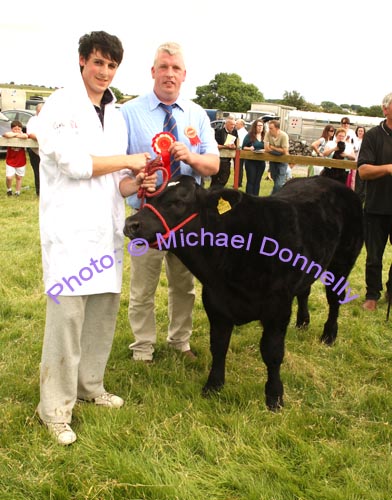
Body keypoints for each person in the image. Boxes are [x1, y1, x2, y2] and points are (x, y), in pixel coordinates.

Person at [36, 31, 153, 446]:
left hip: (106, 232)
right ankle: (54, 408)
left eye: (112, 65)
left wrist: (135, 180)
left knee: (102, 314)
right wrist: (127, 161)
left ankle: (90, 385)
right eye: (98, 62)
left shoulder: (116, 114)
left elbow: (116, 183)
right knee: (67, 320)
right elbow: (74, 164)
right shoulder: (60, 105)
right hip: (69, 233)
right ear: (82, 61)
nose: (104, 71)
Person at [120, 41, 219, 363]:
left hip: (186, 223)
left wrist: (190, 155)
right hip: (145, 218)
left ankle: (180, 341)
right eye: (163, 67)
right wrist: (137, 178)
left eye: (175, 68)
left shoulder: (197, 114)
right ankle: (143, 348)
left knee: (184, 286)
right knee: (142, 289)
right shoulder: (129, 113)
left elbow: (214, 166)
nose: (169, 74)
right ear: (153, 71)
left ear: (184, 75)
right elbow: (121, 167)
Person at [357, 93, 392, 312]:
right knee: (374, 256)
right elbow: (363, 171)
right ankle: (372, 295)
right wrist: (388, 168)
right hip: (376, 207)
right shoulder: (373, 136)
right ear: (385, 109)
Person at [210, 116, 238, 187]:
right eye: (232, 125)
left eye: (234, 125)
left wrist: (234, 146)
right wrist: (226, 146)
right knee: (215, 179)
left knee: (224, 178)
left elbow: (236, 144)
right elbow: (215, 145)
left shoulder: (234, 132)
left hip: (227, 160)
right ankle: (212, 193)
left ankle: (217, 191)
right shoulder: (219, 132)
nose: (233, 126)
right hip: (218, 159)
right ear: (226, 124)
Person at [3, 120, 28, 196]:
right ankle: (9, 189)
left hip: (21, 160)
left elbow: (26, 136)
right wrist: (15, 134)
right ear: (12, 129)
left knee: (19, 177)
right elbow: (6, 134)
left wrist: (17, 134)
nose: (17, 130)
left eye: (18, 129)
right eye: (15, 129)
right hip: (10, 160)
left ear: (21, 129)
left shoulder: (23, 135)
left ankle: (17, 192)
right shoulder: (9, 134)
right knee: (9, 177)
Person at [264, 119, 289, 194]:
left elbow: (285, 150)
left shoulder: (284, 135)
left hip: (282, 161)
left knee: (278, 184)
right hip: (272, 161)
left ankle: (271, 197)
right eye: (269, 128)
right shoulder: (268, 134)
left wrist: (272, 147)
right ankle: (276, 197)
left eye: (271, 128)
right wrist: (278, 150)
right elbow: (266, 148)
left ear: (277, 128)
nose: (269, 130)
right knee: (275, 182)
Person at [242, 119, 265, 196]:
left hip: (261, 161)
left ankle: (256, 199)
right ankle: (249, 198)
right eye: (258, 126)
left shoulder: (265, 136)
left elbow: (269, 147)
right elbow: (243, 147)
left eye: (261, 126)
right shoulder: (249, 135)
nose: (260, 127)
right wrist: (249, 148)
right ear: (255, 126)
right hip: (251, 161)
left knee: (257, 182)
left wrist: (265, 149)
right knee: (251, 181)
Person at [26, 102, 44, 196]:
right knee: (37, 172)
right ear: (36, 111)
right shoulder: (33, 120)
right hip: (35, 151)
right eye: (40, 111)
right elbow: (30, 134)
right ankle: (39, 192)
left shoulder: (50, 120)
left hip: (48, 152)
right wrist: (42, 138)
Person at [235, 118, 248, 187]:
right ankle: (238, 182)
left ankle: (238, 182)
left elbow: (241, 143)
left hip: (240, 151)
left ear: (241, 124)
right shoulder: (239, 131)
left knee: (239, 167)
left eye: (237, 123)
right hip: (238, 150)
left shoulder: (243, 133)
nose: (235, 125)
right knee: (238, 167)